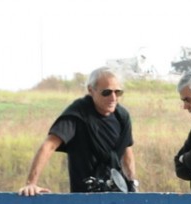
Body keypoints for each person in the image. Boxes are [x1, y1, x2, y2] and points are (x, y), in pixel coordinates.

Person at [18, 67, 137, 196]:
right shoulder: (78, 114)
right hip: (83, 197)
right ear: (91, 90)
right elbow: (50, 145)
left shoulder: (122, 116)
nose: (113, 98)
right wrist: (31, 183)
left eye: (117, 92)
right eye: (106, 92)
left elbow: (127, 152)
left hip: (117, 196)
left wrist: (133, 185)